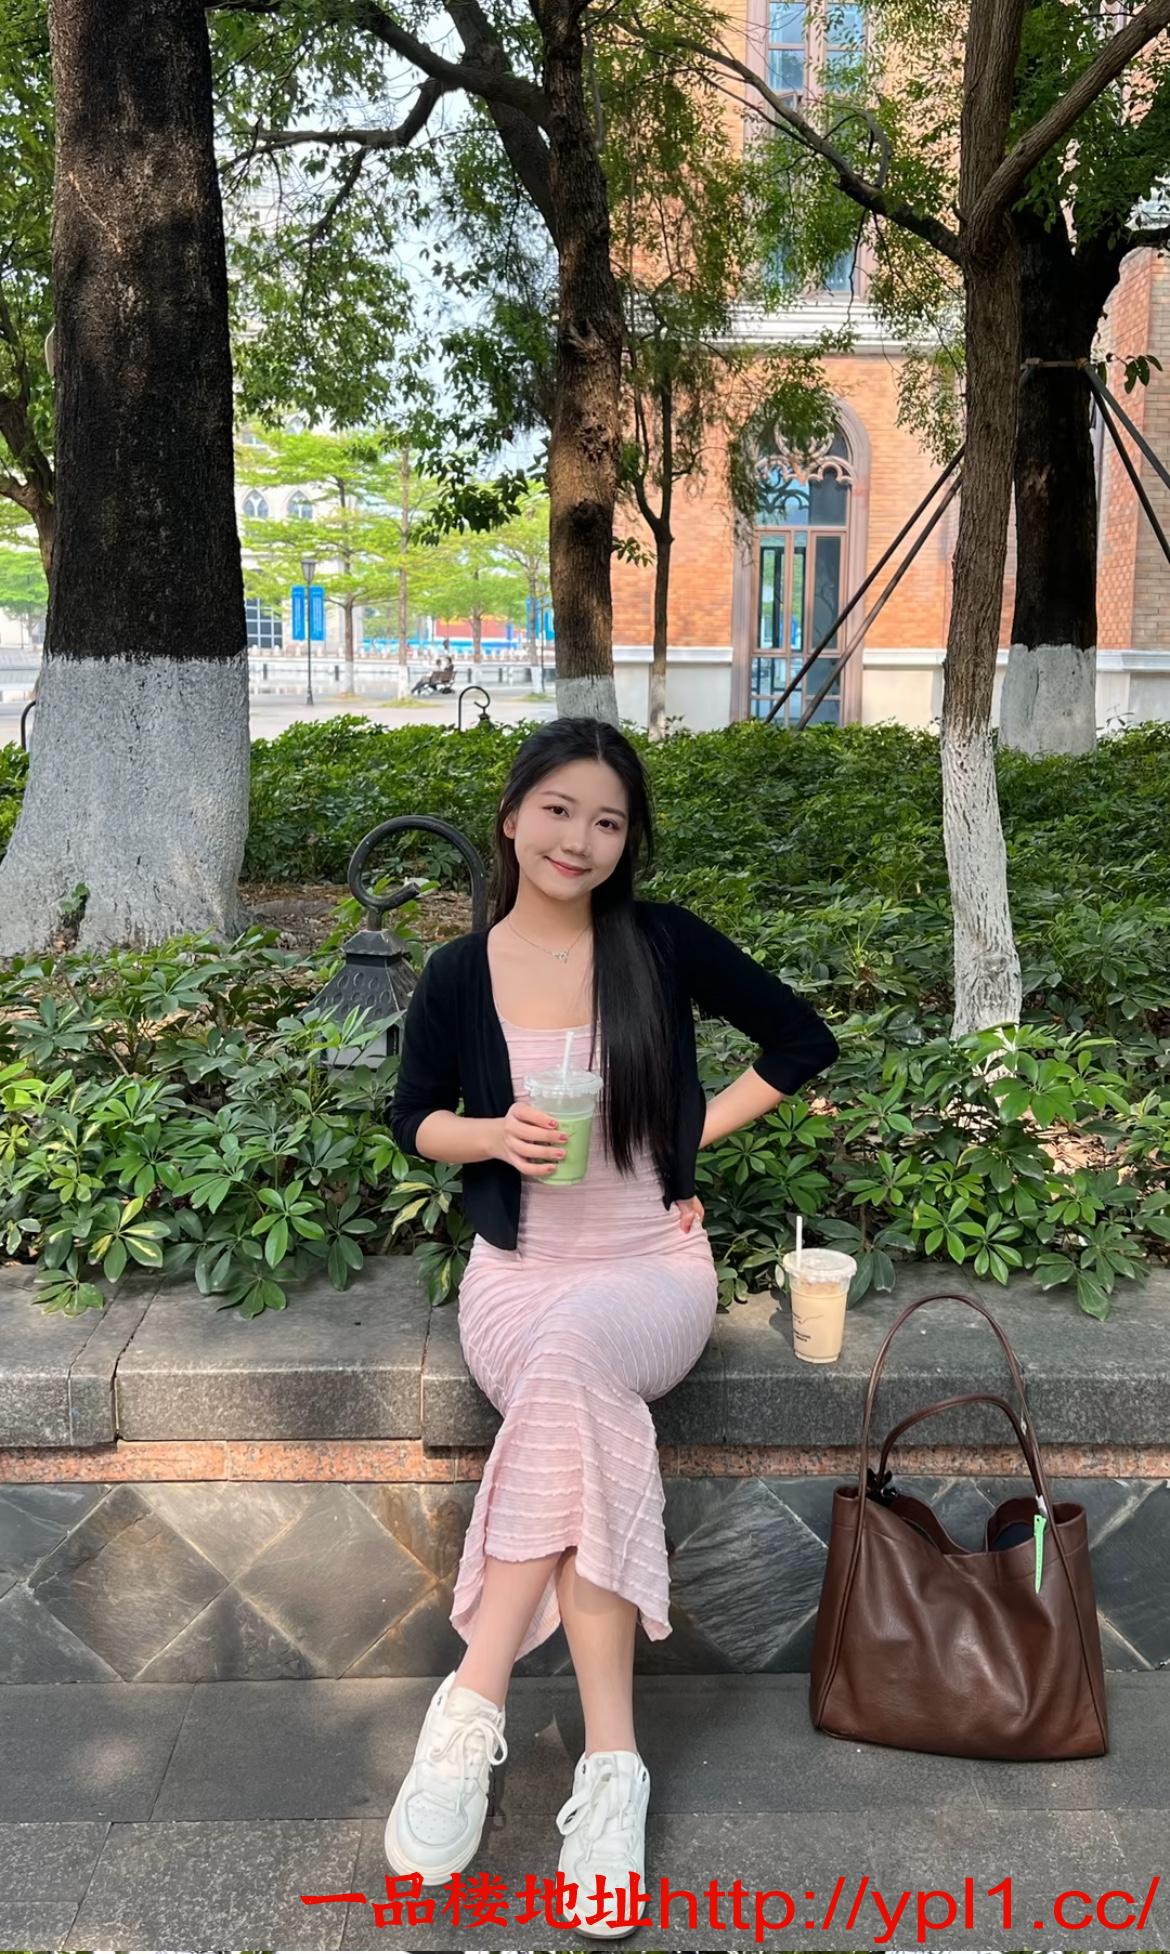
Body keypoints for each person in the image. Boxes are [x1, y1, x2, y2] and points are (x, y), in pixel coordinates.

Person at [384, 715, 839, 1934]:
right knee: (569, 1381)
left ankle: (471, 1702)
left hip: (649, 1267)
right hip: (518, 1274)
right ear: (511, 817)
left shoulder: (659, 944)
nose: (578, 839)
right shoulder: (458, 972)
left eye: (607, 821)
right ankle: (613, 1766)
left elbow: (801, 1038)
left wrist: (684, 1138)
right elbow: (413, 1117)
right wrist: (492, 1134)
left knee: (576, 1362)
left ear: (627, 841)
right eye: (559, 810)